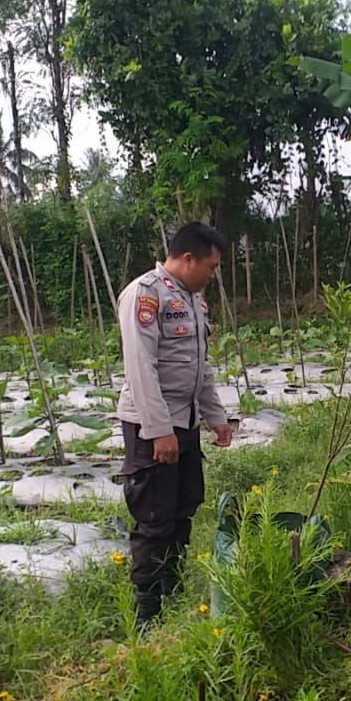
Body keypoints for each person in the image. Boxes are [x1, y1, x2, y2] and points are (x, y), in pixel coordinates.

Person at [116, 221, 234, 626]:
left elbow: (199, 368)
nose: (212, 276)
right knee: (155, 516)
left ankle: (172, 588)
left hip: (184, 423)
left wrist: (216, 418)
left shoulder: (193, 302)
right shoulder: (145, 295)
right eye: (211, 267)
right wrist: (158, 430)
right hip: (153, 425)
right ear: (188, 259)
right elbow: (140, 366)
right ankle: (147, 614)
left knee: (185, 505)